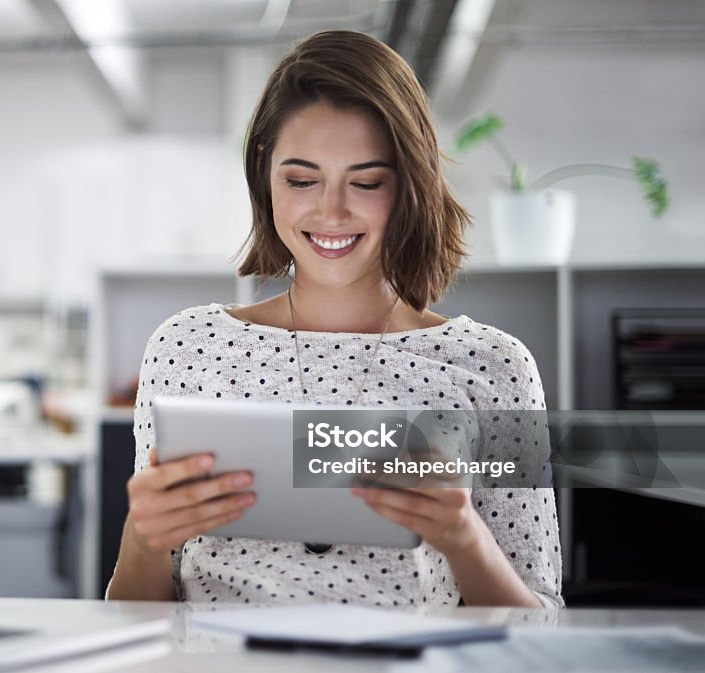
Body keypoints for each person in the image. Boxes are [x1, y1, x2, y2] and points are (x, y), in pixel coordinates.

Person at [106, 29, 563, 608]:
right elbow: (135, 619)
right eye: (301, 180)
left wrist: (464, 539)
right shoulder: (186, 346)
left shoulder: (495, 366)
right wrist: (144, 541)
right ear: (265, 175)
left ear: (409, 187)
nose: (331, 212)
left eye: (366, 182)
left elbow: (540, 623)